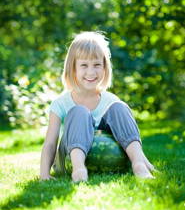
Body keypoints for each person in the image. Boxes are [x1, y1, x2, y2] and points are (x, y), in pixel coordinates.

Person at [40, 31, 155, 182]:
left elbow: (128, 132)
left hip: (108, 158)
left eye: (97, 65)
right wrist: (44, 174)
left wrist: (143, 159)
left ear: (105, 67)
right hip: (70, 156)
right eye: (84, 65)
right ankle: (78, 169)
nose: (91, 72)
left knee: (119, 107)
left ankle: (139, 163)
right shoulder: (60, 104)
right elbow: (50, 143)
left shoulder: (110, 100)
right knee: (79, 111)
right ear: (72, 68)